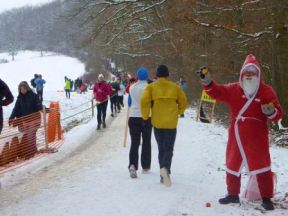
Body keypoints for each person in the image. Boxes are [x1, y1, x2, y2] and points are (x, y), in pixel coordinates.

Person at [199, 54, 282, 211]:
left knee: (262, 165)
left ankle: (266, 197)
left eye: (252, 72)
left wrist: (271, 112)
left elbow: (278, 113)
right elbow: (218, 91)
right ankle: (232, 194)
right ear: (242, 74)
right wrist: (208, 83)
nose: (249, 75)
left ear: (258, 74)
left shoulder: (266, 91)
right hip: (236, 133)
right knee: (232, 163)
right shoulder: (234, 89)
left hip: (257, 136)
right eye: (247, 72)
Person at [141, 65, 188, 187]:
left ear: (156, 75)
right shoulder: (175, 87)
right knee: (169, 148)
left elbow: (144, 101)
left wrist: (145, 116)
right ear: (167, 74)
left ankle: (163, 173)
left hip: (157, 122)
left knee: (161, 148)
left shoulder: (151, 87)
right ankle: (166, 169)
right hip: (171, 123)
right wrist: (177, 112)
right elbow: (184, 102)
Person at [127, 67, 152, 178]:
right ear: (147, 76)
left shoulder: (132, 87)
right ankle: (145, 166)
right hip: (147, 117)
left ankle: (132, 165)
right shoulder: (150, 88)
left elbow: (129, 103)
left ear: (137, 76)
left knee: (134, 142)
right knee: (146, 142)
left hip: (133, 116)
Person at [9, 81, 42, 159]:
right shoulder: (19, 98)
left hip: (35, 119)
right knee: (28, 135)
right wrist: (11, 118)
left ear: (27, 88)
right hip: (25, 121)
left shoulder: (33, 95)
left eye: (24, 88)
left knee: (30, 135)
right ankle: (33, 150)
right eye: (21, 89)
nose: (22, 90)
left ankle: (30, 153)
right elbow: (16, 109)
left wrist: (43, 108)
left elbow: (39, 105)